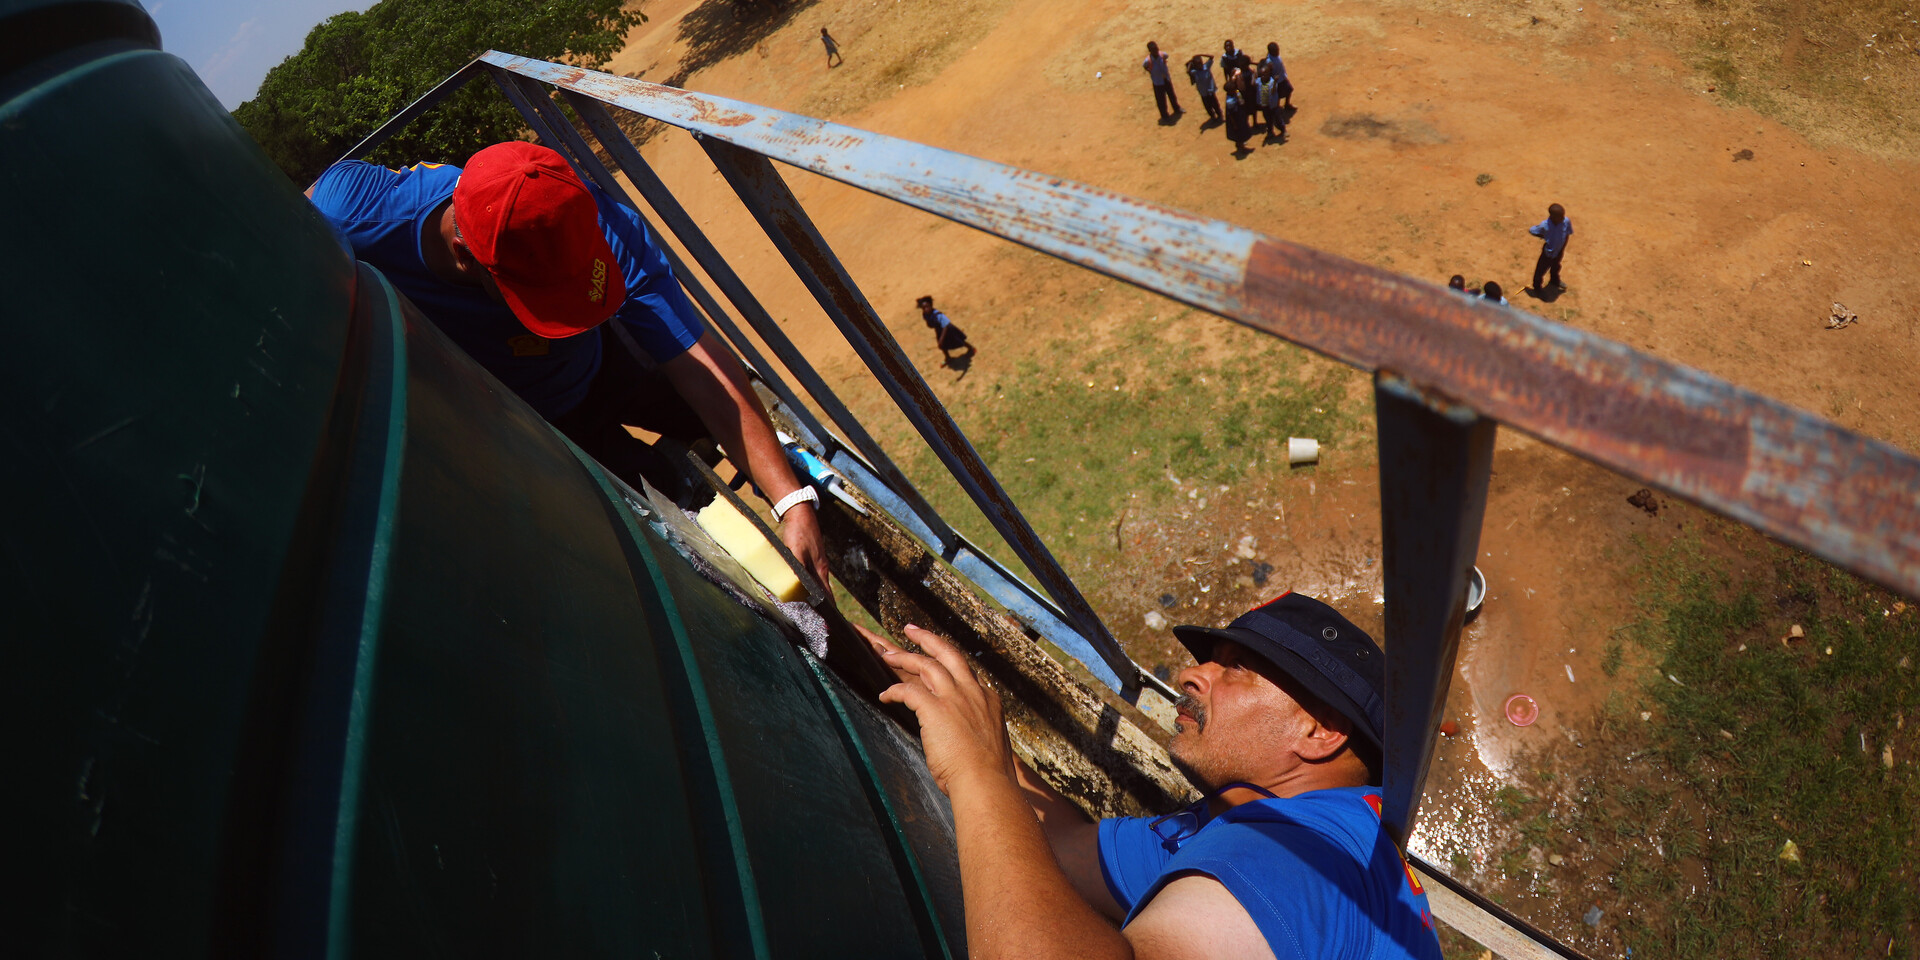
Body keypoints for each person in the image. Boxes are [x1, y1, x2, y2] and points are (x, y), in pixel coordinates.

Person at [306, 142, 830, 587]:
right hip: (532, 423)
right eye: (551, 299)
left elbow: (696, 361)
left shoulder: (598, 221)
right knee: (674, 542)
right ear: (466, 256)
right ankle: (674, 486)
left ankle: (792, 466)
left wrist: (791, 498)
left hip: (609, 359)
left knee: (752, 431)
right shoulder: (353, 216)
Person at [855, 593, 1443, 960]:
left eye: (1235, 670)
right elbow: (1062, 847)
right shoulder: (1237, 824)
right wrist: (967, 725)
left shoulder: (1301, 855)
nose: (1191, 675)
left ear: (1319, 732)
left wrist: (976, 773)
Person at [1528, 203, 1572, 292]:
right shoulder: (1545, 225)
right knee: (1541, 270)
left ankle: (1554, 280)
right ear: (1552, 216)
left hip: (1559, 251)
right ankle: (1537, 287)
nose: (1563, 218)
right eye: (1560, 216)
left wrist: (1563, 247)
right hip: (1548, 253)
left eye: (1563, 215)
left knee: (1556, 266)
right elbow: (1532, 230)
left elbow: (1567, 233)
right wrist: (1544, 235)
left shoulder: (1566, 221)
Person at [918, 295, 974, 364]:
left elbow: (945, 325)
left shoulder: (938, 315)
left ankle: (971, 348)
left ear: (931, 305)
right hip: (939, 330)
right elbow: (928, 321)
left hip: (948, 329)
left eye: (927, 307)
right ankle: (948, 357)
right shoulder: (925, 314)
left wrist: (941, 339)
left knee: (958, 340)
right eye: (924, 308)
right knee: (943, 346)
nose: (926, 309)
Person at [1142, 41, 1181, 120]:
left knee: (1172, 95)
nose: (1156, 51)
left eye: (1156, 48)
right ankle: (1165, 115)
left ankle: (1177, 108)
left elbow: (1166, 57)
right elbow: (1145, 66)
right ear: (1150, 51)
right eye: (1154, 50)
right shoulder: (1148, 61)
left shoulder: (1162, 54)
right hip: (1158, 82)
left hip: (1166, 79)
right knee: (1161, 100)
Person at [1223, 71, 1253, 154]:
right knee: (1239, 134)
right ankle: (1241, 147)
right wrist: (1234, 124)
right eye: (1234, 89)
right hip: (1236, 119)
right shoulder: (1230, 101)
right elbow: (1231, 114)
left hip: (1239, 116)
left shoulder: (1233, 94)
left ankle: (1240, 145)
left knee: (1240, 133)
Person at [1185, 53, 1222, 121]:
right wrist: (1191, 62)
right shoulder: (1195, 72)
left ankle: (1219, 115)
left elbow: (1211, 57)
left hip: (1210, 90)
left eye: (1200, 63)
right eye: (1197, 64)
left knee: (1215, 104)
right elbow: (1188, 71)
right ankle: (1213, 117)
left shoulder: (1206, 66)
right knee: (1207, 106)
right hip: (1203, 92)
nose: (1199, 65)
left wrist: (1201, 54)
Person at [1253, 63, 1282, 138]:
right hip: (1264, 105)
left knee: (1277, 118)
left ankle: (1283, 130)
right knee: (1267, 119)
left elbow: (1273, 91)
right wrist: (1254, 75)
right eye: (1261, 75)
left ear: (1269, 74)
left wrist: (1275, 81)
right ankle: (1270, 132)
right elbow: (1253, 84)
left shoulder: (1272, 82)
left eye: (1264, 75)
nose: (1263, 76)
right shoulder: (1259, 81)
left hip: (1273, 105)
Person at [1262, 41, 1293, 109]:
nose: (1277, 52)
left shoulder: (1275, 55)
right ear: (1271, 52)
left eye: (1277, 50)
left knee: (1289, 90)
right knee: (1278, 96)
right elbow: (1268, 73)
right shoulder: (1269, 62)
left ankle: (1287, 104)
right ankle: (1277, 108)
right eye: (1275, 51)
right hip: (1277, 81)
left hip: (1283, 77)